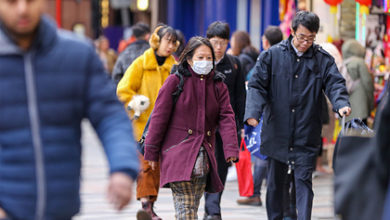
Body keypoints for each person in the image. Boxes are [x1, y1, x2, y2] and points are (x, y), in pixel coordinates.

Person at [0, 0, 139, 219]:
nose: (22, 9)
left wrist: (122, 167)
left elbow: (109, 115)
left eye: (29, 1)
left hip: (61, 208)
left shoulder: (77, 54)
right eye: (11, 2)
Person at [245, 11, 351, 220]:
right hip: (278, 131)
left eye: (310, 38)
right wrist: (253, 113)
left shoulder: (322, 59)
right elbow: (256, 85)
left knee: (303, 182)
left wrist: (341, 104)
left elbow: (335, 83)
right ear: (292, 31)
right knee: (276, 185)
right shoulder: (272, 55)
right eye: (302, 37)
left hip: (306, 131)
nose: (305, 43)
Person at [144, 36, 239, 220]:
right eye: (200, 58)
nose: (205, 62)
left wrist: (231, 148)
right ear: (188, 59)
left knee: (190, 209)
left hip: (204, 160)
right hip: (179, 155)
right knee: (186, 211)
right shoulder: (175, 81)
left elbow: (227, 117)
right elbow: (158, 118)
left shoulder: (218, 85)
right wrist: (151, 151)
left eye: (208, 58)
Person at [117, 24, 178, 220]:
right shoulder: (140, 63)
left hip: (165, 127)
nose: (170, 45)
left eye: (173, 42)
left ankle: (149, 206)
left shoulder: (174, 67)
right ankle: (146, 206)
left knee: (155, 168)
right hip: (142, 125)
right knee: (144, 166)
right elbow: (123, 89)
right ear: (156, 41)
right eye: (167, 40)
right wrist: (135, 101)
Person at [236, 26, 283, 207]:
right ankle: (276, 196)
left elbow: (254, 83)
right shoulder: (286, 57)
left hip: (265, 113)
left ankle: (256, 193)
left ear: (266, 41)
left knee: (263, 154)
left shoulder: (267, 58)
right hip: (280, 114)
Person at [203, 21, 246, 220]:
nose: (218, 47)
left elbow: (239, 98)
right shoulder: (200, 61)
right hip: (202, 127)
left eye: (223, 42)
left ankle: (213, 209)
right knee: (203, 167)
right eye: (215, 42)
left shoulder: (235, 64)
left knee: (220, 167)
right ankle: (208, 208)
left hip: (225, 127)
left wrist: (239, 125)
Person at [341, 39, 375, 125]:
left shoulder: (344, 63)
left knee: (349, 135)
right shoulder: (360, 63)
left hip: (347, 109)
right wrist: (372, 104)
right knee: (361, 135)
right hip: (360, 108)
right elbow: (368, 83)